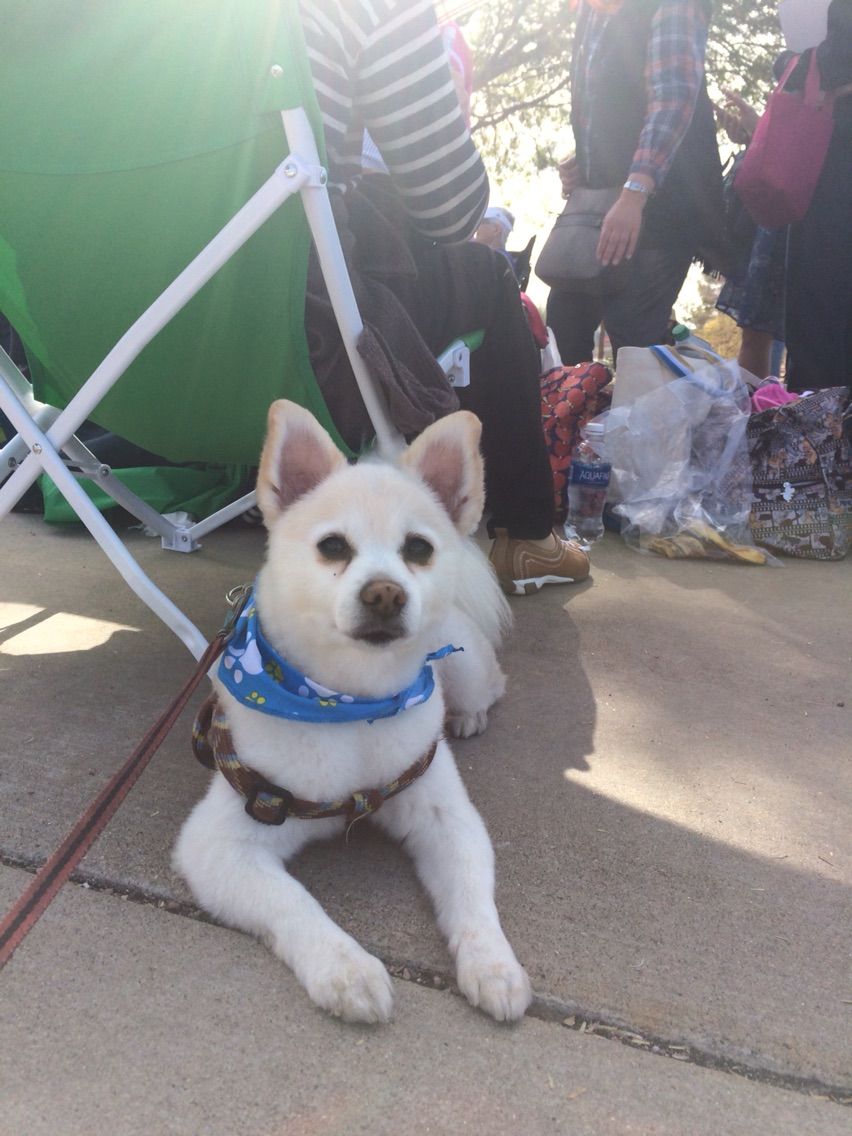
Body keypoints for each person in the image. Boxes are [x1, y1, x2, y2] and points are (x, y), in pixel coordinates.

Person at [299, 0, 590, 594]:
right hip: (307, 319)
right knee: (487, 273)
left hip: (137, 349)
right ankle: (527, 535)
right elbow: (451, 204)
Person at [545, 0, 729, 365]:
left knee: (633, 338)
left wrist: (635, 192)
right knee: (562, 327)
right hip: (600, 207)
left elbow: (672, 99)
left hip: (661, 209)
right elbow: (599, 99)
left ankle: (649, 398)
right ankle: (574, 405)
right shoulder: (591, 10)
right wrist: (586, 161)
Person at [783, 0, 852, 394]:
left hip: (835, 167)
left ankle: (817, 421)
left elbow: (833, 60)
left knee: (820, 317)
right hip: (829, 164)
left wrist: (787, 64)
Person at [714, 89, 787, 380]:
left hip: (812, 218)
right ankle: (759, 406)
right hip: (774, 220)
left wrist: (764, 137)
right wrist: (756, 136)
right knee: (756, 336)